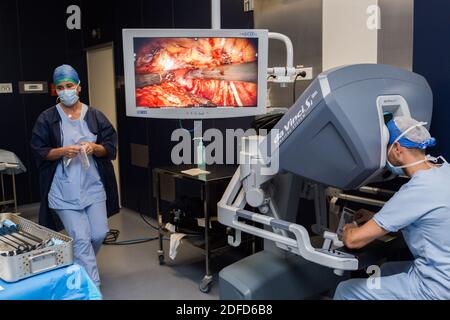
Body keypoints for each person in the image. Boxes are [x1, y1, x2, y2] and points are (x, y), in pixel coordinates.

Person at [334, 116, 450, 300]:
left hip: (436, 287)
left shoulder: (416, 189)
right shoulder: (444, 170)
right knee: (386, 270)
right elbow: (426, 221)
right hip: (443, 271)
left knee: (345, 290)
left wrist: (350, 229)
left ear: (396, 148)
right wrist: (376, 218)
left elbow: (354, 241)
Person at [30, 64, 119, 289]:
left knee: (99, 233)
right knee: (80, 239)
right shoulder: (47, 118)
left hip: (93, 187)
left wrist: (93, 147)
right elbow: (39, 151)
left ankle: (79, 264)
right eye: (60, 87)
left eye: (70, 85)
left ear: (79, 87)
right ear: (55, 90)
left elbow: (110, 147)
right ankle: (91, 288)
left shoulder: (95, 116)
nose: (66, 90)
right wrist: (61, 151)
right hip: (63, 190)